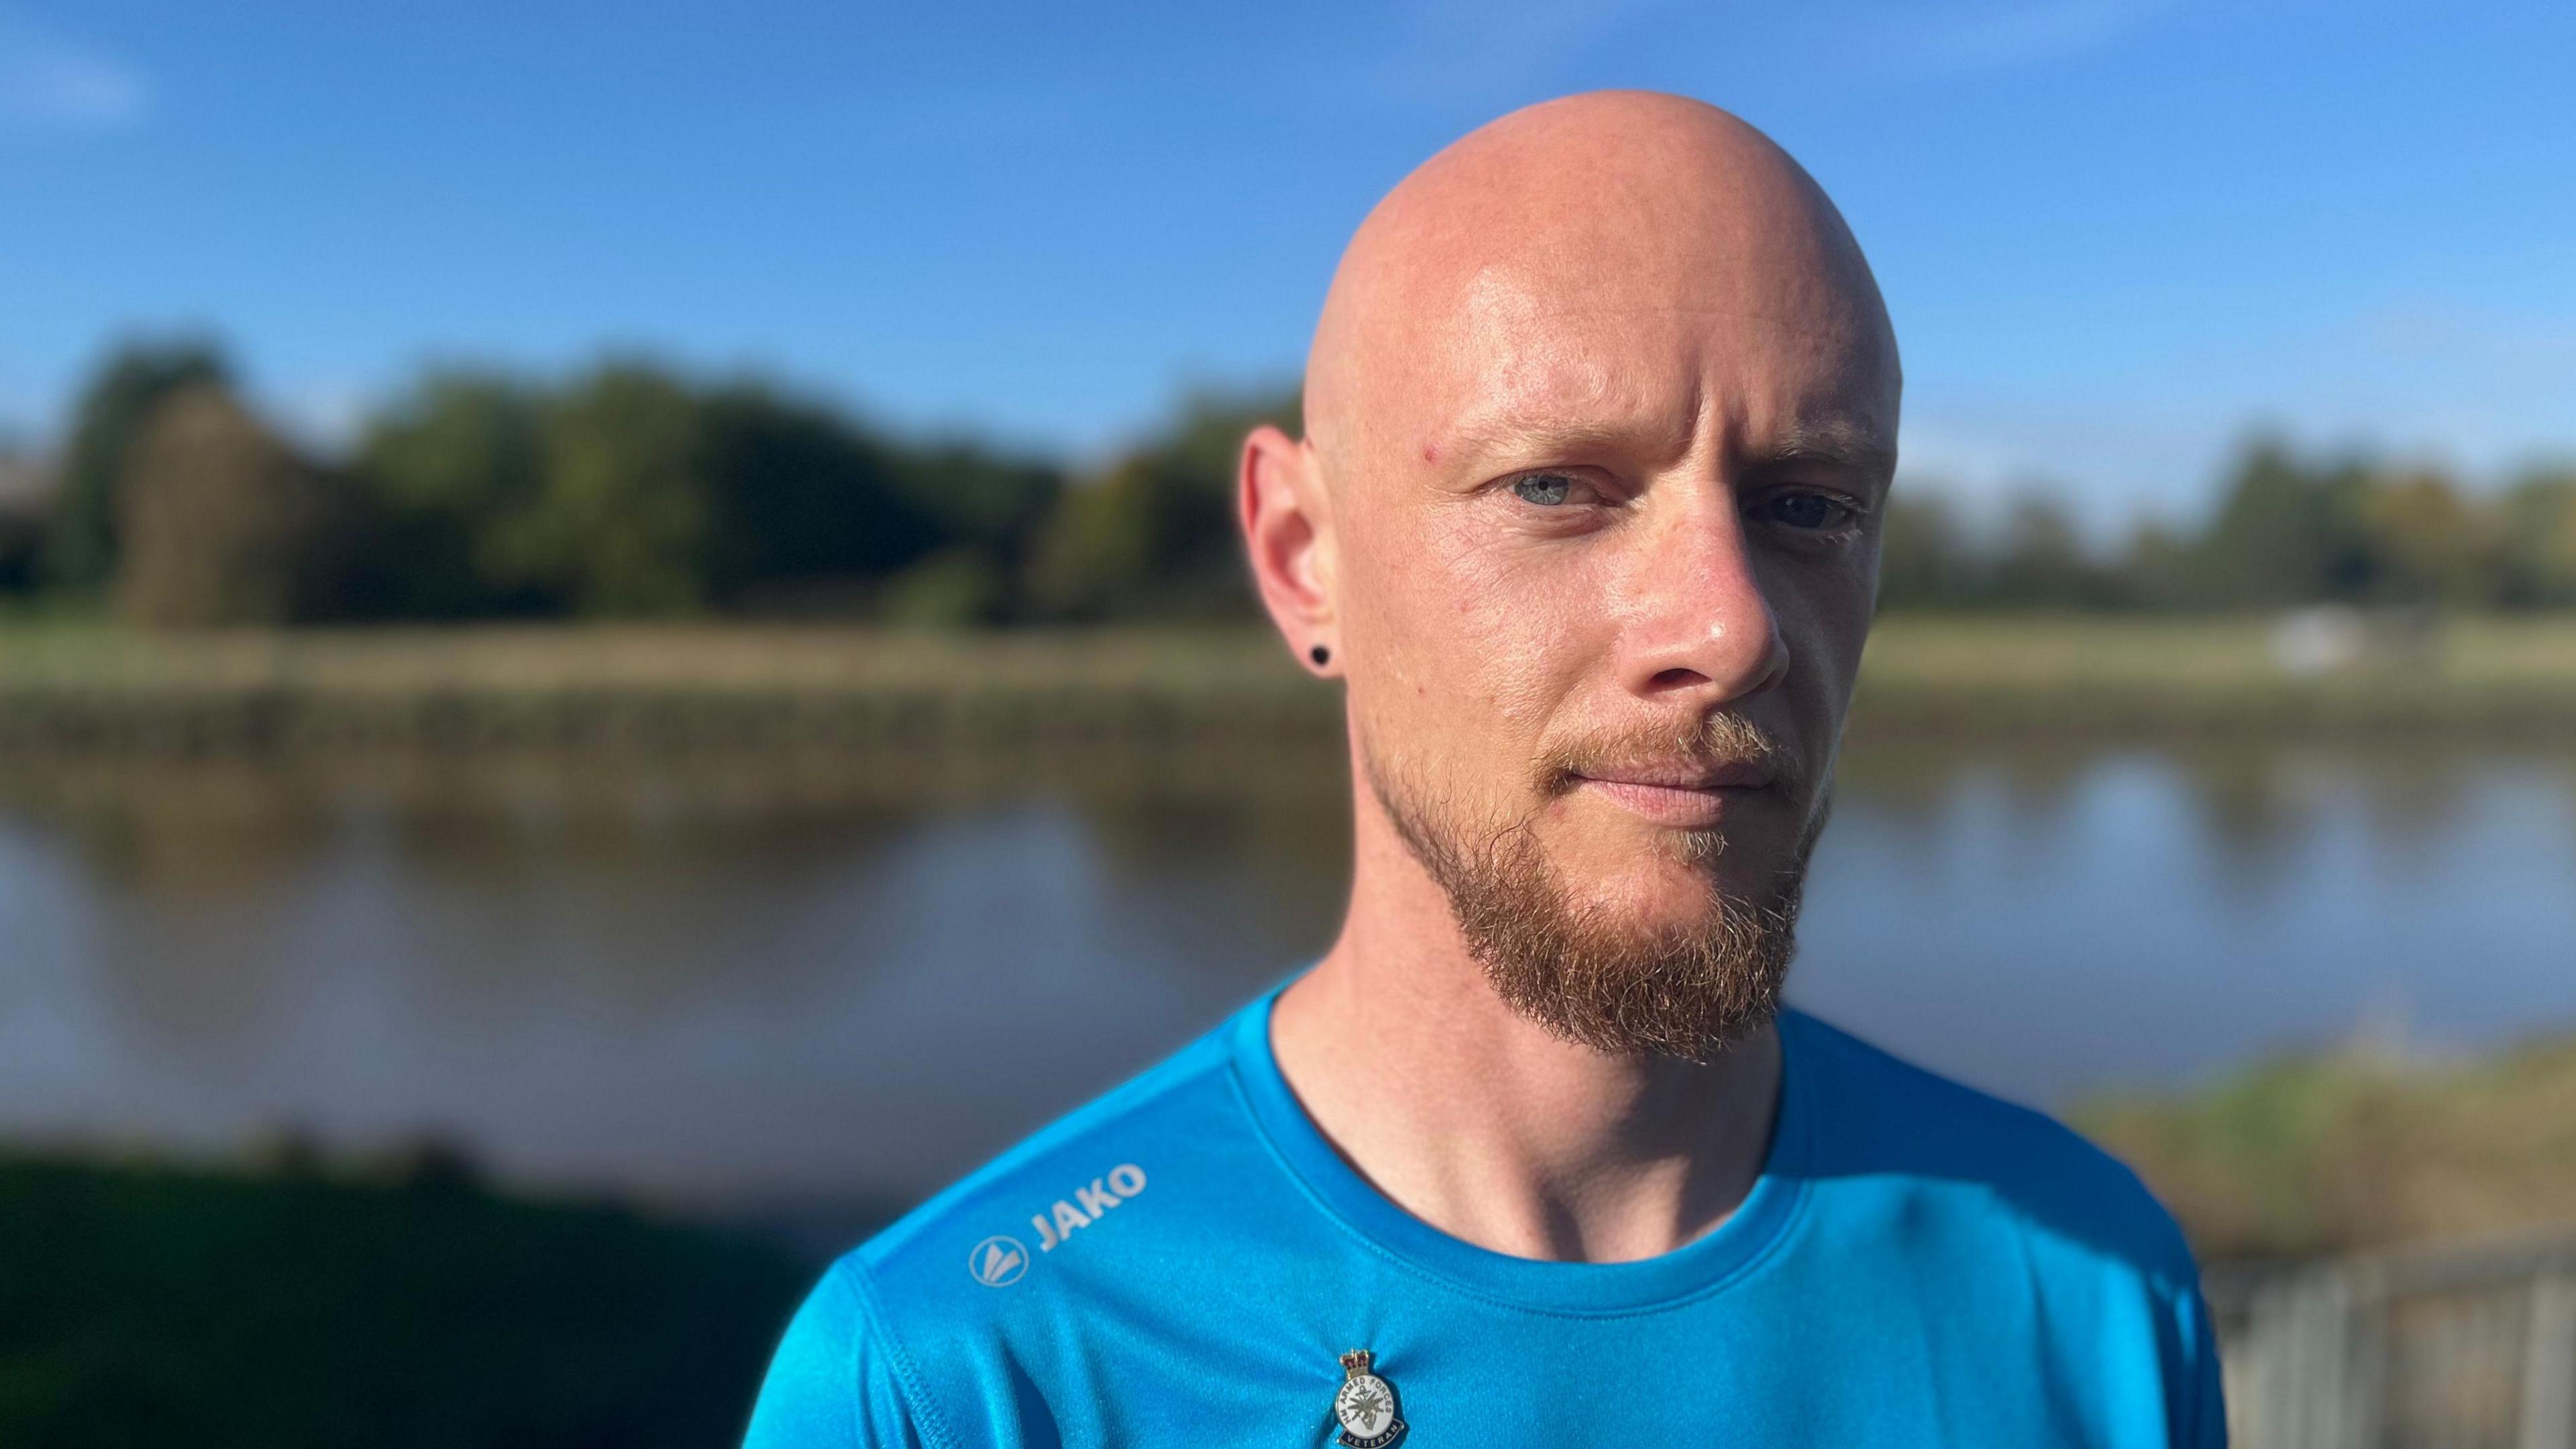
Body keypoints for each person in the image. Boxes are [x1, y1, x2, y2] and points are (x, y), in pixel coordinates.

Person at [744, 89, 2225, 1447]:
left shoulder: (2086, 1283)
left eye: (1808, 503)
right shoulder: (956, 1378)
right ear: (1303, 557)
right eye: (1552, 487)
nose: (1730, 626)